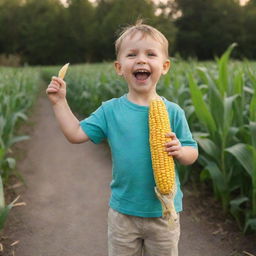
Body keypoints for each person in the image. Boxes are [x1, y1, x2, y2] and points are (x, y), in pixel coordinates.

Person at [46, 19, 198, 256]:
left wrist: (180, 150)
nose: (141, 60)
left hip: (163, 212)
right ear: (119, 67)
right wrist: (59, 103)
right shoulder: (110, 110)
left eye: (150, 54)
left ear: (165, 66)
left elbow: (192, 152)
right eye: (132, 54)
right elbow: (75, 134)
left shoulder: (173, 112)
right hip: (123, 214)